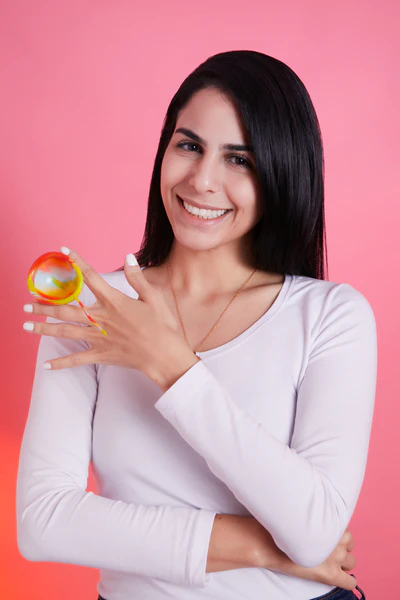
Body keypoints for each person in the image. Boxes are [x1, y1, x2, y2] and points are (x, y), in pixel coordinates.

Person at [16, 50, 375, 600]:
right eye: (189, 146)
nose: (202, 180)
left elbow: (314, 528)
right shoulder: (93, 304)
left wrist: (172, 365)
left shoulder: (331, 315)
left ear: (281, 172)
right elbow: (43, 521)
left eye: (240, 160)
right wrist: (258, 546)